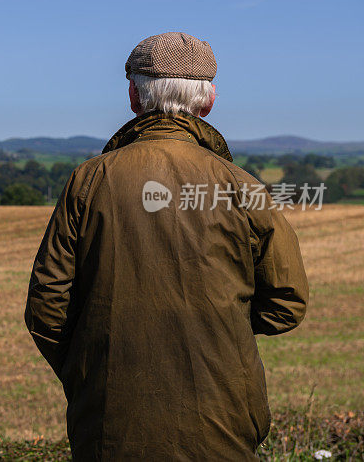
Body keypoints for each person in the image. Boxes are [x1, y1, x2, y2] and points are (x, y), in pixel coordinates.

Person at [25, 32, 309, 460]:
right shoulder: (243, 187)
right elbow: (287, 302)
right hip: (224, 420)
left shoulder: (88, 181)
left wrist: (90, 372)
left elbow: (47, 308)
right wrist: (216, 327)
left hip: (106, 423)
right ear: (208, 101)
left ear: (134, 98)